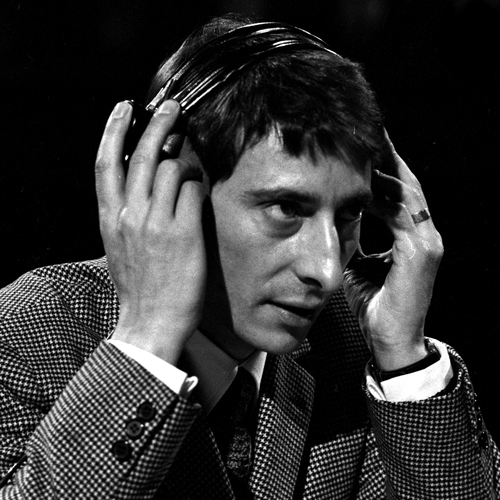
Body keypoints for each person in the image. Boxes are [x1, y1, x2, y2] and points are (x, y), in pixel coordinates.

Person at [0, 14, 498, 499]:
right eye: (286, 209)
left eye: (349, 213)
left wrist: (403, 358)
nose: (328, 272)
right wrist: (147, 342)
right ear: (164, 185)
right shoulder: (29, 333)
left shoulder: (355, 350)